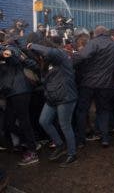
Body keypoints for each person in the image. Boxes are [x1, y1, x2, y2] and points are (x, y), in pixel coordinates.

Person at [27, 39, 78, 167]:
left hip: (65, 97)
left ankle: (72, 154)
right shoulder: (46, 62)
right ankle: (60, 145)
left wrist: (33, 44)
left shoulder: (60, 55)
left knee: (65, 125)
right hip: (52, 98)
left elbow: (50, 51)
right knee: (43, 121)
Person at [73, 25, 114, 147]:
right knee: (103, 111)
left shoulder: (93, 43)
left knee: (82, 111)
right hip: (106, 84)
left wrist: (70, 60)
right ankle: (105, 139)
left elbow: (82, 56)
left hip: (88, 83)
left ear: (96, 34)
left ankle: (81, 141)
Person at [0, 43, 39, 166]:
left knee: (24, 121)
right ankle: (30, 141)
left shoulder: (9, 49)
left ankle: (33, 151)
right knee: (9, 123)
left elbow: (12, 54)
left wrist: (5, 52)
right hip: (10, 92)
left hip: (19, 90)